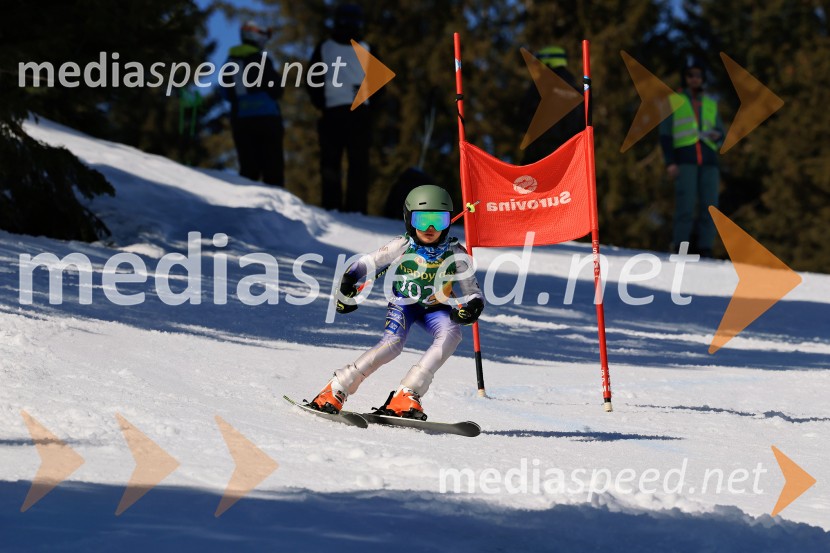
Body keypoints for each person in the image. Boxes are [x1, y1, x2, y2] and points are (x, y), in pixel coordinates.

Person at [308, 185, 485, 419]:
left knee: (452, 334)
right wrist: (348, 280)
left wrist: (473, 306)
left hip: (437, 308)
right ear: (409, 219)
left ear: (449, 221)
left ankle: (407, 394)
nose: (430, 228)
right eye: (422, 220)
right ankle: (337, 388)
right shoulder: (403, 245)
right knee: (393, 344)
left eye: (439, 220)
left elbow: (473, 290)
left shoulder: (456, 253)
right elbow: (369, 262)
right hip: (404, 303)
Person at [307, 4, 374, 213]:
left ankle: (331, 206)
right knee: (358, 165)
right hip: (359, 114)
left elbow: (312, 80)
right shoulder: (367, 47)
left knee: (331, 162)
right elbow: (380, 85)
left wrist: (322, 103)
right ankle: (356, 209)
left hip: (332, 112)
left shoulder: (324, 46)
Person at [659, 55, 725, 256]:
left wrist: (718, 136)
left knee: (710, 207)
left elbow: (722, 133)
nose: (694, 79)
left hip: (709, 161)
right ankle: (681, 248)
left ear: (703, 77)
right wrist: (670, 162)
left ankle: (705, 249)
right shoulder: (673, 101)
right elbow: (665, 134)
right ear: (684, 78)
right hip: (685, 160)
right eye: (690, 75)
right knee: (685, 206)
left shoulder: (711, 103)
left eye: (698, 75)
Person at [222, 21, 284, 186]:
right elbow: (277, 89)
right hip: (267, 119)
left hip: (241, 120)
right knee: (273, 170)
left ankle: (247, 208)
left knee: (248, 170)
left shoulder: (230, 61)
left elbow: (226, 93)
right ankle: (276, 208)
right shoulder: (261, 60)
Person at [519, 45, 584, 165]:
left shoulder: (541, 85)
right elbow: (583, 126)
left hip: (539, 154)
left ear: (547, 62)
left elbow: (524, 114)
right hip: (569, 156)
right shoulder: (577, 91)